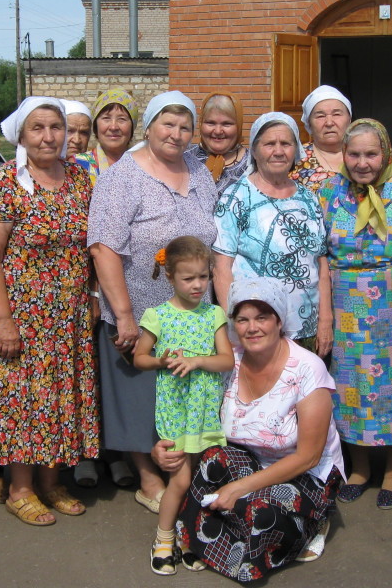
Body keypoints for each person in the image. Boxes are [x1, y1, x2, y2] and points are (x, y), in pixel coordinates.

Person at [153, 277, 344, 582]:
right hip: (251, 460)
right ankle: (221, 532)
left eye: (262, 317)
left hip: (303, 472)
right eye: (242, 319)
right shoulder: (231, 362)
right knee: (212, 460)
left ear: (279, 320)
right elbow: (192, 414)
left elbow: (308, 456)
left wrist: (241, 487)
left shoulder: (307, 368)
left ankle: (309, 524)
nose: (251, 328)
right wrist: (165, 446)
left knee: (260, 511)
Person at [88, 90, 217, 515]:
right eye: (167, 124)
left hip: (193, 312)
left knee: (182, 393)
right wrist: (124, 315)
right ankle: (147, 477)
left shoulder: (198, 170)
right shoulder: (122, 177)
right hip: (141, 312)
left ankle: (181, 471)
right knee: (140, 396)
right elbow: (105, 248)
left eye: (184, 126)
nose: (176, 134)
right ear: (148, 127)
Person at [0, 96, 98, 526]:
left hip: (69, 315)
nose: (49, 136)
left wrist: (94, 295)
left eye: (56, 127)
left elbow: (93, 246)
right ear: (21, 136)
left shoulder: (81, 180)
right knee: (24, 401)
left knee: (61, 397)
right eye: (38, 128)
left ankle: (51, 482)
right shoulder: (4, 182)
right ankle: (20, 489)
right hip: (22, 316)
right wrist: (3, 320)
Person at [318, 119, 392, 509]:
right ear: (344, 155)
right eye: (354, 154)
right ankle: (361, 467)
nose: (362, 162)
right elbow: (321, 257)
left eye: (371, 154)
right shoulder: (331, 191)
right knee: (349, 389)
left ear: (385, 153)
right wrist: (327, 318)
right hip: (345, 306)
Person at [133, 236, 234, 576]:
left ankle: (189, 537)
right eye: (188, 278)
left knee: (202, 480)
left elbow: (226, 360)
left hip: (205, 410)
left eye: (203, 277)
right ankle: (164, 538)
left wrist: (198, 360)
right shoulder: (157, 315)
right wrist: (161, 360)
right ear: (170, 277)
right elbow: (139, 358)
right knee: (180, 478)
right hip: (175, 410)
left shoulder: (214, 314)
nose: (197, 285)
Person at [213, 112, 331, 353]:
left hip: (306, 328)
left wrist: (325, 320)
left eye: (286, 144)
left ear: (295, 150)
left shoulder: (308, 198)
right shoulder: (236, 197)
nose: (278, 151)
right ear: (255, 151)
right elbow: (221, 268)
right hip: (256, 331)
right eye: (269, 144)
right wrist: (234, 323)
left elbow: (321, 264)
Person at [71, 88, 138, 490]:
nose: (114, 125)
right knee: (86, 375)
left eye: (123, 117)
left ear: (134, 126)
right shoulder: (77, 167)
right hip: (83, 289)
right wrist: (93, 291)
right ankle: (84, 455)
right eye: (107, 117)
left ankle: (118, 454)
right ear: (96, 125)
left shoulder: (139, 166)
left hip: (125, 288)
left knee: (118, 375)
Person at [290, 85, 353, 192]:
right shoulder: (295, 158)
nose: (329, 123)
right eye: (320, 116)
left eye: (336, 114)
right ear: (309, 124)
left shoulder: (367, 155)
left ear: (349, 119)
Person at [185, 92, 249, 195]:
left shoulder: (255, 164)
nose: (218, 131)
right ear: (201, 124)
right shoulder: (184, 159)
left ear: (238, 126)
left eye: (226, 124)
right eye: (211, 123)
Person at [75, 88, 138, 186]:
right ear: (96, 125)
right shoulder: (77, 164)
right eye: (106, 118)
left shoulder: (144, 166)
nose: (113, 127)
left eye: (122, 119)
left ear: (132, 126)